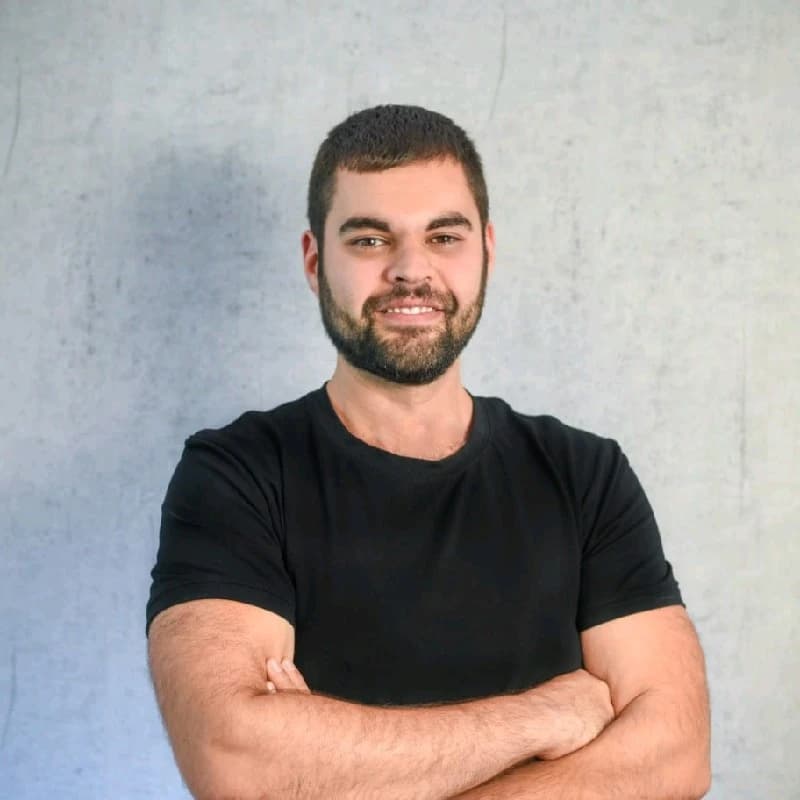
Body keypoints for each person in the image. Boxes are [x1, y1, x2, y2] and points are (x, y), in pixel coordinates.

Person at [146, 104, 711, 799]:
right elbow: (239, 764)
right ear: (315, 261)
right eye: (370, 239)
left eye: (444, 237)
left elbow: (674, 758)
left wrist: (331, 766)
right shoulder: (237, 476)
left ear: (487, 251)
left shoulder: (584, 474)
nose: (412, 271)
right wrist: (544, 716)